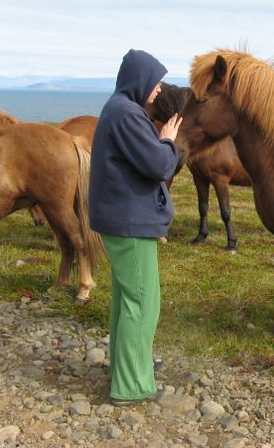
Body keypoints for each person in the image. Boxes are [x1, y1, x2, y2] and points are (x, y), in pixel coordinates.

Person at [89, 49, 182, 405]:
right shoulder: (128, 113)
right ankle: (132, 385)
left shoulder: (118, 108)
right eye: (155, 82)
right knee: (143, 303)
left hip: (120, 219)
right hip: (129, 223)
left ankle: (129, 364)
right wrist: (168, 140)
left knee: (126, 300)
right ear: (139, 79)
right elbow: (159, 165)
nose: (158, 89)